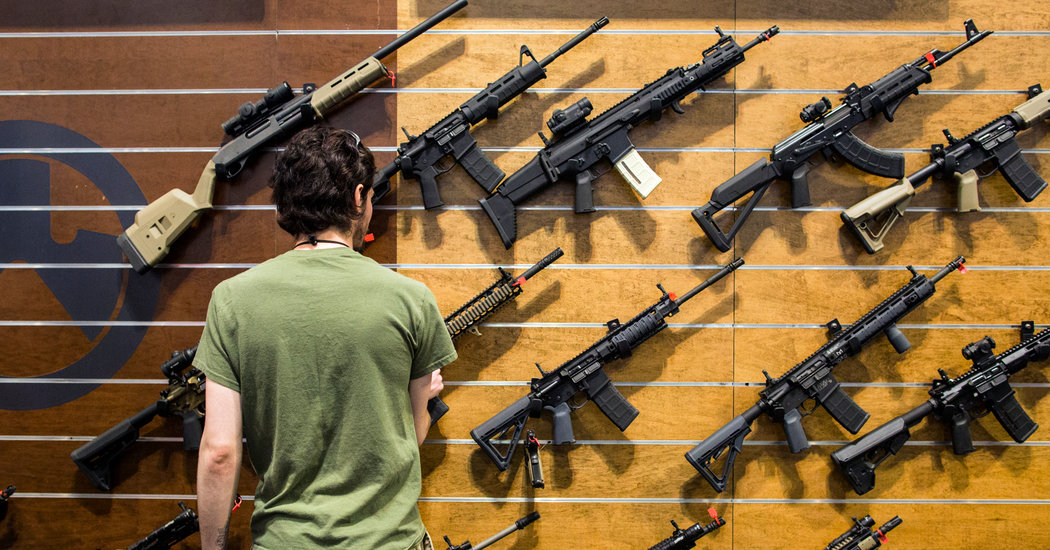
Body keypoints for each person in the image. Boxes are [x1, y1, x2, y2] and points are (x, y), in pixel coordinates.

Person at [194, 126, 455, 550]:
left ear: (285, 203)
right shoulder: (411, 299)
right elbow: (411, 436)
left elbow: (220, 452)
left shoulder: (231, 300)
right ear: (358, 197)